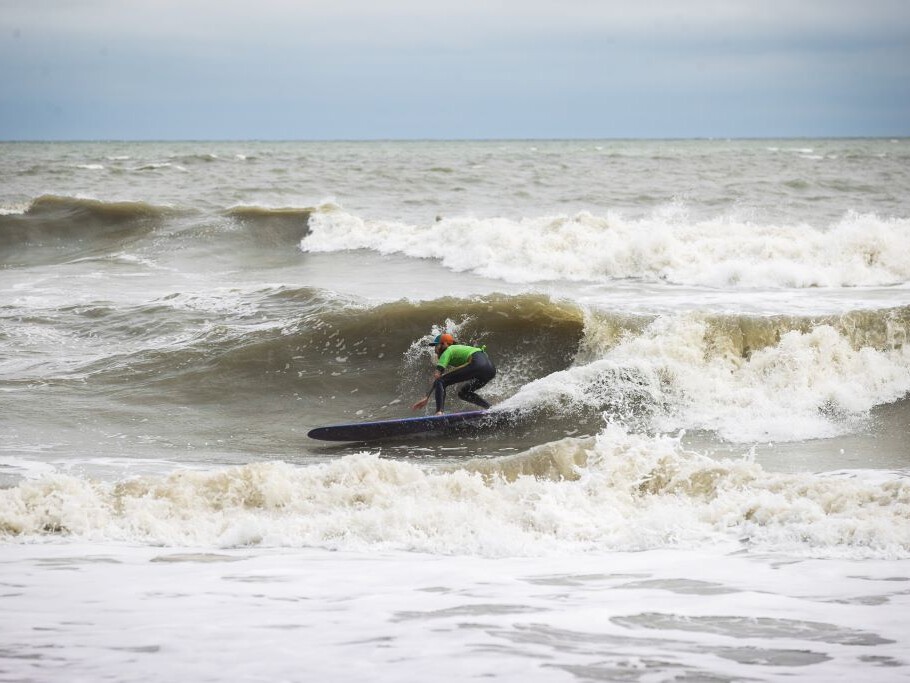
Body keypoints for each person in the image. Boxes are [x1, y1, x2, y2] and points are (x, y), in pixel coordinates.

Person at [411, 333, 496, 415]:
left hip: (476, 363)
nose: (435, 350)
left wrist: (426, 397)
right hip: (490, 370)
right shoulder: (460, 349)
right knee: (463, 393)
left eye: (436, 346)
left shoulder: (448, 350)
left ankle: (439, 412)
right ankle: (491, 408)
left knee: (441, 381)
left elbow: (437, 376)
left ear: (444, 344)